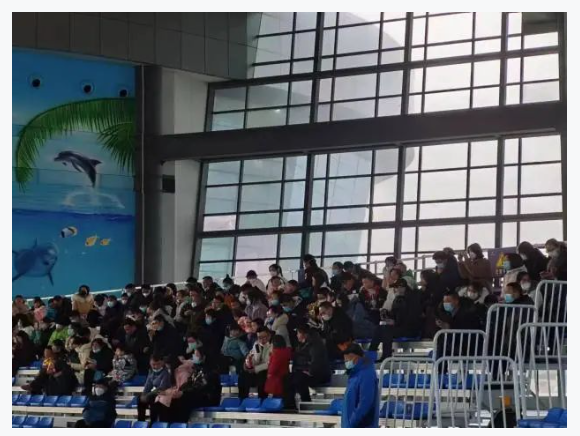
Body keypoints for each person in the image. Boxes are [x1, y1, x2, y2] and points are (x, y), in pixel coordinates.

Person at [284, 325, 331, 410]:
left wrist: (310, 371)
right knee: (287, 378)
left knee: (299, 379)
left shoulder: (315, 344)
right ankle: (290, 406)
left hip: (318, 374)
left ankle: (306, 402)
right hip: (302, 371)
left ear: (304, 334)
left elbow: (317, 361)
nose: (297, 335)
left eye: (298, 333)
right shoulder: (301, 345)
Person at [341, 343, 379, 428]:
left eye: (347, 360)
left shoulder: (366, 374)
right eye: (345, 360)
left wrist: (352, 423)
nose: (346, 363)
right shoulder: (355, 374)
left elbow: (365, 403)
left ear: (356, 358)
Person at [238, 327, 272, 399]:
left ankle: (262, 399)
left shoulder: (272, 346)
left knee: (262, 375)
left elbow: (268, 363)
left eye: (264, 337)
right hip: (256, 370)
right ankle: (242, 399)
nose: (261, 340)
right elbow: (254, 359)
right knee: (243, 375)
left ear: (269, 336)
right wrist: (248, 363)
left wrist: (255, 369)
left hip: (266, 371)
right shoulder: (256, 344)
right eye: (259, 337)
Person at [137, 355, 172, 422]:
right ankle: (141, 421)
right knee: (140, 398)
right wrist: (144, 394)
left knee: (152, 398)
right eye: (153, 364)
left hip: (164, 394)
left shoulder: (166, 372)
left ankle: (153, 422)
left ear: (162, 362)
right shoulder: (151, 372)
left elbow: (161, 388)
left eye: (158, 364)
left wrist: (148, 395)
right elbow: (148, 385)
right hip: (155, 393)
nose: (155, 366)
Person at [264, 335, 292, 399]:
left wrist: (269, 373)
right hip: (285, 376)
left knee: (277, 397)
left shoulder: (276, 353)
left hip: (277, 377)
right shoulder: (286, 351)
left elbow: (273, 367)